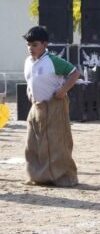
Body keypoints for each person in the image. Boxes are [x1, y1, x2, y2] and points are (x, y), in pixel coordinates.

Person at [22, 26, 81, 186]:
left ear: (45, 44)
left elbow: (75, 72)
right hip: (36, 108)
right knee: (33, 144)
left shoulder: (53, 61)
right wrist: (29, 90)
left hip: (54, 106)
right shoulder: (28, 62)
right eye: (28, 45)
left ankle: (63, 177)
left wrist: (63, 90)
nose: (30, 48)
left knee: (57, 143)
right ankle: (39, 176)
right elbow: (30, 79)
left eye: (34, 45)